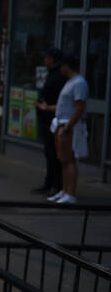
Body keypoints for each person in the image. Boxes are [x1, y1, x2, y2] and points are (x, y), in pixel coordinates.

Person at [47, 54, 88, 204]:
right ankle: (64, 191)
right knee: (63, 159)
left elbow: (79, 107)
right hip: (62, 123)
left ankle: (70, 193)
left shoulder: (79, 83)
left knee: (69, 159)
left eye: (62, 66)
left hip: (68, 126)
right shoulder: (71, 82)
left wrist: (68, 126)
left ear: (66, 66)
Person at [33, 47, 65, 196]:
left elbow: (61, 101)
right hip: (46, 118)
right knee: (49, 153)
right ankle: (49, 183)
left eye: (47, 57)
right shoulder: (51, 74)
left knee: (54, 154)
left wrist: (46, 107)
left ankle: (57, 185)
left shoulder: (58, 76)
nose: (44, 60)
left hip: (53, 119)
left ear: (52, 59)